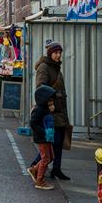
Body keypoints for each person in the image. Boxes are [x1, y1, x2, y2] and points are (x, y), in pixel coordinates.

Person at [29, 41, 71, 181]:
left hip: (59, 111)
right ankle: (35, 165)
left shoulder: (55, 67)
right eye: (56, 53)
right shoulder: (44, 67)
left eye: (60, 53)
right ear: (50, 53)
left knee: (58, 142)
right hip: (50, 112)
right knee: (52, 141)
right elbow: (41, 88)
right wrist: (51, 103)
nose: (58, 55)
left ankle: (56, 169)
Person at [28, 85, 57, 190]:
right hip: (42, 137)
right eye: (49, 98)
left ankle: (34, 169)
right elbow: (33, 123)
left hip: (47, 136)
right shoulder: (39, 109)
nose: (51, 100)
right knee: (45, 158)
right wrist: (43, 132)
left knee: (50, 157)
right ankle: (40, 181)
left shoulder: (45, 108)